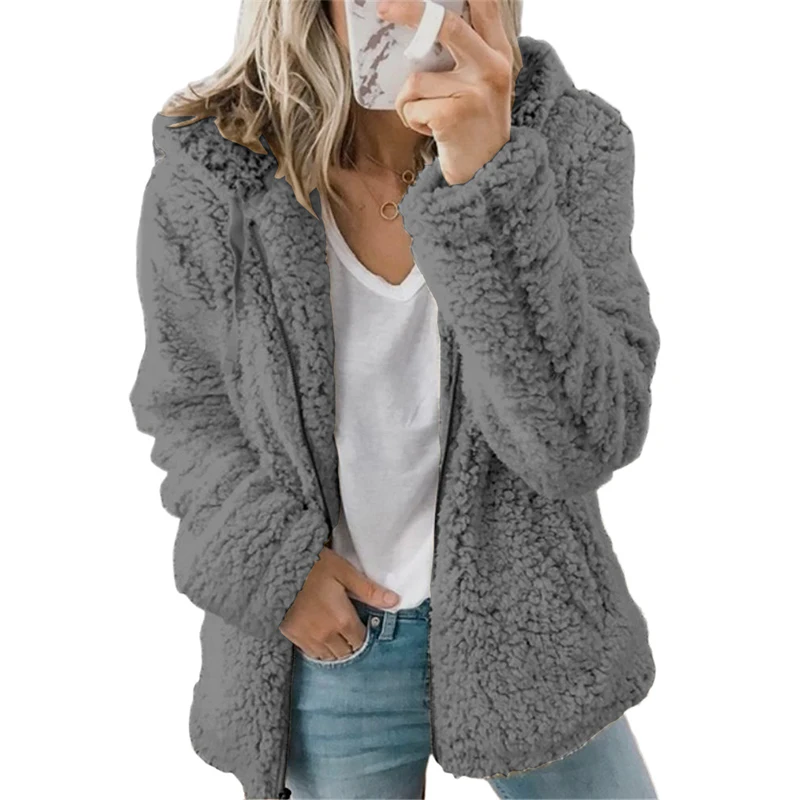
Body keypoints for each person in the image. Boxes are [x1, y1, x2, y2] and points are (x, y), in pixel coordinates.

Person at [129, 1, 661, 798]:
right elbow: (189, 405)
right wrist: (275, 569)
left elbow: (582, 443)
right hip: (335, 645)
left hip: (535, 623)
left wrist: (488, 182)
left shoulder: (568, 142)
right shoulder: (218, 168)